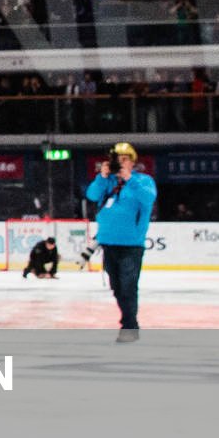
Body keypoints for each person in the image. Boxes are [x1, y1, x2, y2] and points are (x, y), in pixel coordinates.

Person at [83, 140, 156, 341]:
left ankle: (130, 327)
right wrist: (102, 177)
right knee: (116, 287)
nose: (121, 163)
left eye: (125, 159)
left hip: (131, 245)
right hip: (109, 243)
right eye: (118, 159)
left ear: (132, 162)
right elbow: (91, 195)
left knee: (128, 286)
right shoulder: (108, 182)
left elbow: (148, 198)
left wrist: (129, 179)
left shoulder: (143, 181)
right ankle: (128, 322)